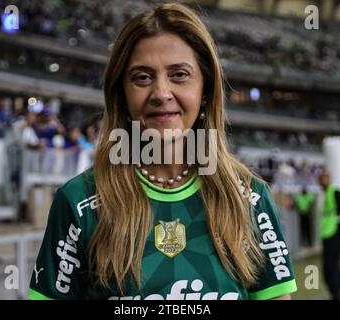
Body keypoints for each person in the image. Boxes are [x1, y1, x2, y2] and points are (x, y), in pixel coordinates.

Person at [29, 3, 297, 300]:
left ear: (206, 91)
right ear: (121, 94)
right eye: (142, 77)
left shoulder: (249, 197)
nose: (161, 93)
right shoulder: (78, 203)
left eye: (179, 75)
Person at [318, 170, 340, 300]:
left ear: (329, 179)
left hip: (335, 234)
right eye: (320, 178)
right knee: (328, 266)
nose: (321, 181)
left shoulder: (335, 192)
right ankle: (334, 293)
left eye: (324, 178)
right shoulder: (326, 194)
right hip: (328, 233)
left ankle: (337, 294)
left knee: (333, 265)